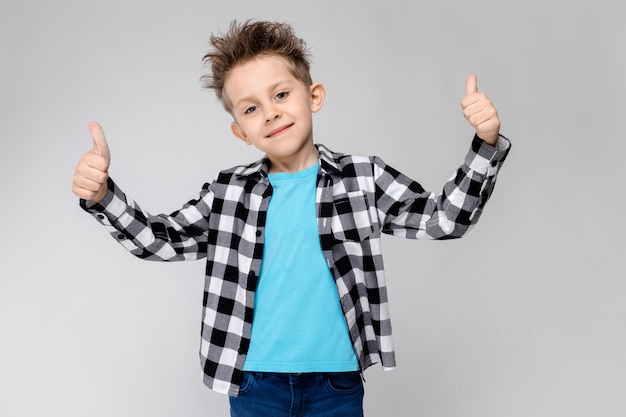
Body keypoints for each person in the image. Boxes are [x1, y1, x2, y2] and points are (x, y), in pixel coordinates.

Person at [72, 20, 510, 417]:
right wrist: (104, 196)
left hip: (335, 385)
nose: (271, 112)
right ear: (240, 131)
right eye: (250, 108)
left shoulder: (362, 178)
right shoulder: (228, 193)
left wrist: (485, 142)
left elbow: (445, 218)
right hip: (254, 384)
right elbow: (160, 240)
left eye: (281, 94)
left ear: (313, 96)